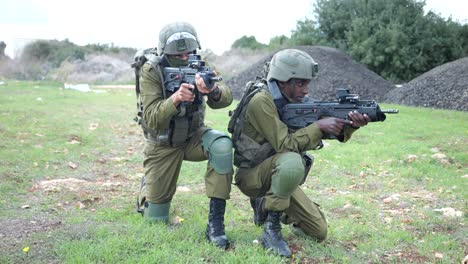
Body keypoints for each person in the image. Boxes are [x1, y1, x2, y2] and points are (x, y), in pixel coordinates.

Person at [229, 49, 371, 257]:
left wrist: (350, 125)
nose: (306, 90)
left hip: (278, 173)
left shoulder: (292, 100)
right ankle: (272, 229)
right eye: (300, 83)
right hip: (251, 176)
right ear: (282, 81)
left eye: (308, 83)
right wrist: (319, 127)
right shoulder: (261, 100)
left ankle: (264, 204)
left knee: (318, 231)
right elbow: (285, 144)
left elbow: (324, 128)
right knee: (292, 160)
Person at [136, 21, 234, 249]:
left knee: (221, 145)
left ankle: (215, 225)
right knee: (155, 220)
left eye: (188, 52)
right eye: (178, 54)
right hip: (162, 144)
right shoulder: (152, 71)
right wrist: (175, 99)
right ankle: (146, 190)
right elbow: (150, 117)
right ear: (165, 53)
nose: (184, 58)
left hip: (193, 137)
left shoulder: (200, 64)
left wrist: (213, 91)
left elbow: (227, 96)